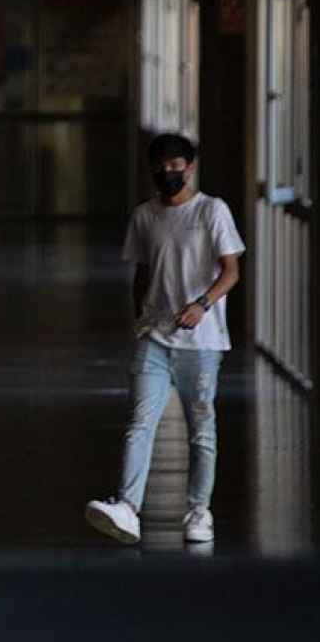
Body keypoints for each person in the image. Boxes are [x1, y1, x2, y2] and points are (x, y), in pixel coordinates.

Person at [86, 134, 244, 546]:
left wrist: (202, 304)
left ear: (190, 167)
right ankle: (127, 507)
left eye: (177, 166)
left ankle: (198, 511)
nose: (169, 174)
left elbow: (231, 270)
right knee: (139, 422)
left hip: (203, 342)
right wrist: (140, 317)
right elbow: (142, 270)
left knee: (201, 429)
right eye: (161, 167)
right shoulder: (144, 216)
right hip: (154, 338)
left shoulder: (212, 211)